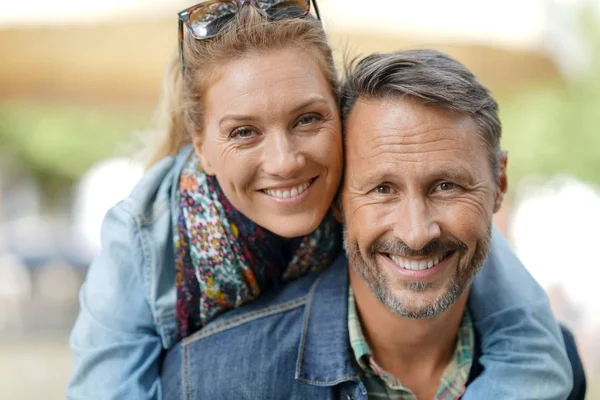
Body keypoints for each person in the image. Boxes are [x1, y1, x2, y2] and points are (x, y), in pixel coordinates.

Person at [67, 2, 575, 399]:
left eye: (307, 119)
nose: (286, 160)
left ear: (341, 114)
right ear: (202, 147)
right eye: (244, 131)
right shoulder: (145, 236)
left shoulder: (376, 174)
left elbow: (529, 340)